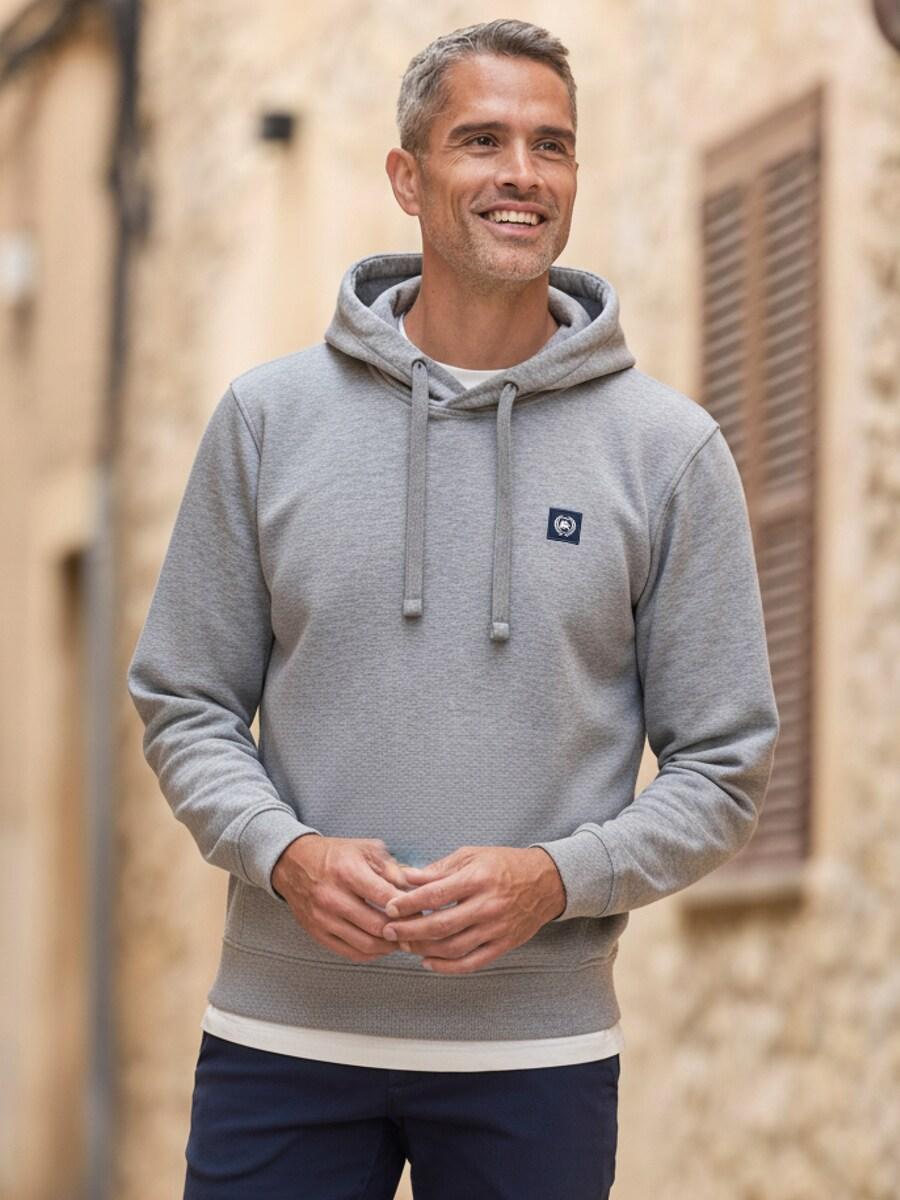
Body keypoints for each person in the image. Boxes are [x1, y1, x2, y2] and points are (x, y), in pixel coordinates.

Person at [127, 17, 780, 1200]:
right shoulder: (269, 422)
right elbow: (184, 702)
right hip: (282, 1044)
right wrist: (283, 853)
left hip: (537, 1058)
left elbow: (726, 768)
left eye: (551, 145)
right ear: (407, 176)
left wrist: (558, 877)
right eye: (482, 140)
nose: (522, 173)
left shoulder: (667, 453)